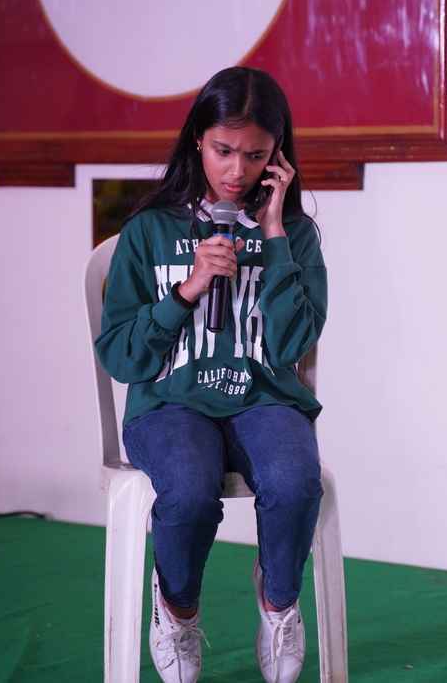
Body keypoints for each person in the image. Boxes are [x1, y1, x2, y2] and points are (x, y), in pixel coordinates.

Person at [94, 66, 326, 683]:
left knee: (295, 481)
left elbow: (293, 346)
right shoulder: (150, 231)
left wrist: (273, 236)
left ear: (277, 157)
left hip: (264, 398)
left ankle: (278, 603)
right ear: (198, 138)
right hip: (171, 403)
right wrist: (188, 289)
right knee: (189, 490)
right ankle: (177, 610)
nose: (236, 171)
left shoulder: (296, 236)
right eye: (224, 150)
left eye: (255, 155)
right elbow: (122, 357)